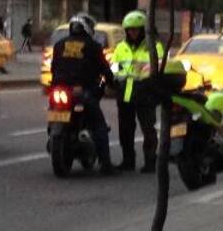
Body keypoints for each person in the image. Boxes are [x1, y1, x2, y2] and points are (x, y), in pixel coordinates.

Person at [50, 13, 117, 175]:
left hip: (59, 90)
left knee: (54, 111)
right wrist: (111, 82)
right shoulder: (93, 46)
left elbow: (53, 68)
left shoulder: (59, 45)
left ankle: (54, 135)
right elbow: (104, 69)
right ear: (88, 28)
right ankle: (105, 163)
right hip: (82, 92)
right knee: (99, 124)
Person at [111, 11, 162, 173]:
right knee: (125, 131)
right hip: (125, 94)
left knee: (148, 130)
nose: (133, 32)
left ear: (143, 29)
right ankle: (128, 160)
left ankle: (150, 161)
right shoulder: (121, 47)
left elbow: (161, 67)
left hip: (145, 94)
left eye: (136, 29)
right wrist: (113, 79)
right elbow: (114, 67)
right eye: (130, 29)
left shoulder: (154, 46)